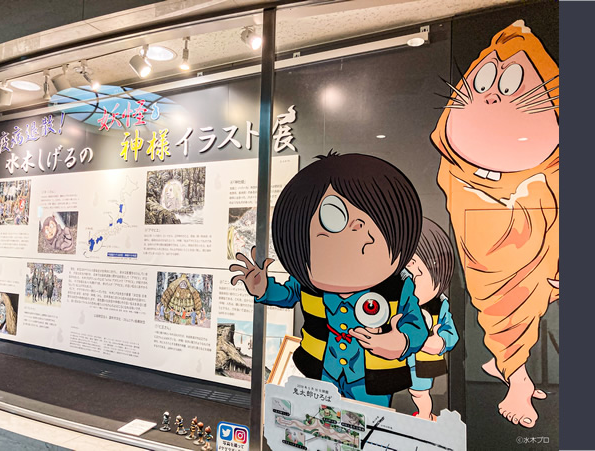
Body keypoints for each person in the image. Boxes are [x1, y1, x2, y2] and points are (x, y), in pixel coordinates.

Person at [431, 20, 558, 428]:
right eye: (484, 81)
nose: (490, 96)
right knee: (498, 306)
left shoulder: (551, 174)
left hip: (528, 244)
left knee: (522, 302)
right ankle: (513, 371)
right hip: (483, 242)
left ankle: (515, 375)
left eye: (510, 83)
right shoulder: (456, 170)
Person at [230, 152, 427, 407]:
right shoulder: (308, 284)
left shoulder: (398, 287)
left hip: (371, 380)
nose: (358, 233)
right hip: (322, 371)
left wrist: (402, 342)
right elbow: (288, 295)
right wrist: (264, 289)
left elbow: (415, 324)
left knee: (369, 422)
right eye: (335, 219)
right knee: (320, 419)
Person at [404, 218, 459, 421]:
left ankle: (424, 416)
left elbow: (450, 332)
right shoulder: (394, 300)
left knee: (419, 393)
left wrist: (441, 341)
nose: (413, 275)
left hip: (421, 362)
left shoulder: (439, 304)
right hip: (393, 361)